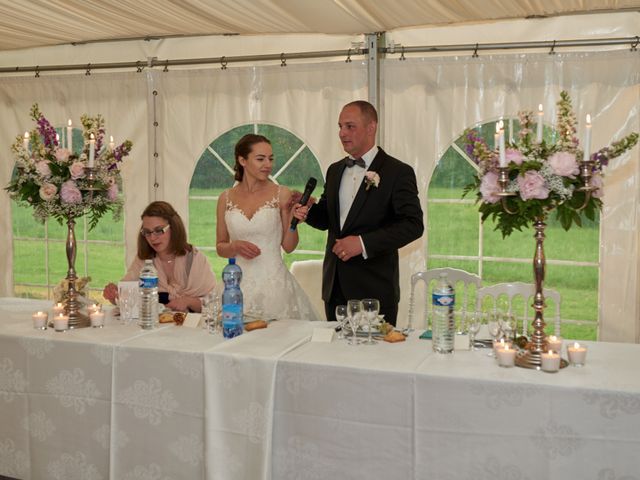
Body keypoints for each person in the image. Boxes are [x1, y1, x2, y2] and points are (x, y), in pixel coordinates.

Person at [295, 100, 424, 325]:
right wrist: (309, 210)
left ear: (371, 127)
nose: (342, 133)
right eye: (340, 126)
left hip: (374, 290)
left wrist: (363, 243)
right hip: (334, 288)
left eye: (350, 126)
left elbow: (413, 225)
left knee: (374, 359)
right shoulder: (335, 170)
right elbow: (329, 219)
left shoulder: (397, 172)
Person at [216, 133, 320, 321]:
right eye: (260, 159)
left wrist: (294, 224)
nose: (268, 164)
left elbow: (288, 247)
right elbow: (220, 246)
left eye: (271, 159)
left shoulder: (281, 193)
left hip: (274, 288)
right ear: (242, 160)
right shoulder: (225, 198)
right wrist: (235, 247)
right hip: (236, 286)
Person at [103, 201, 216, 312]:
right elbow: (127, 294)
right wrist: (114, 295)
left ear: (174, 228)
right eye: (147, 232)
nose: (152, 238)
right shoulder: (144, 260)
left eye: (158, 230)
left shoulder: (195, 260)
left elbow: (213, 304)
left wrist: (188, 301)